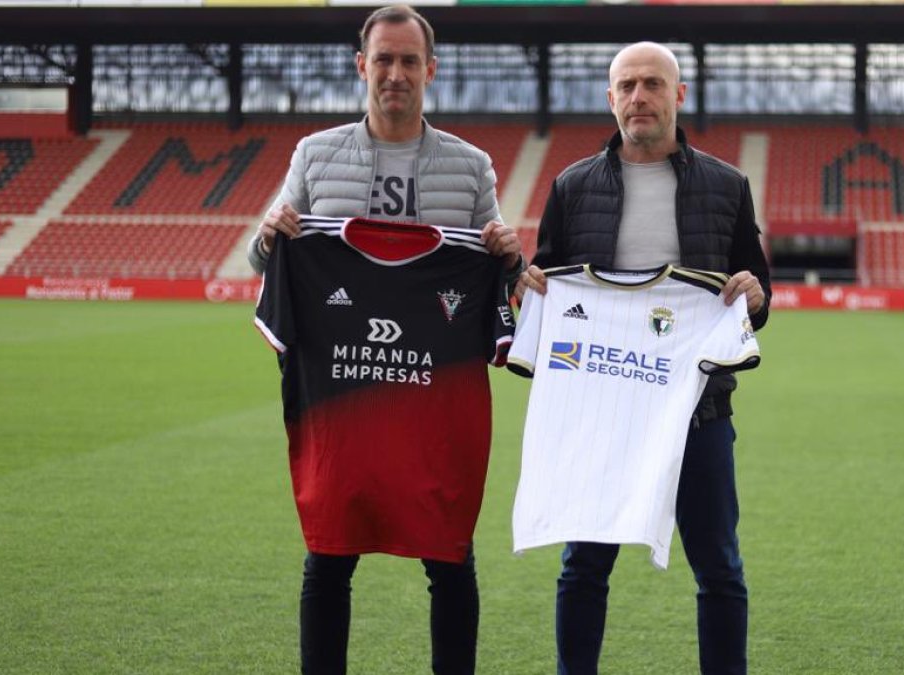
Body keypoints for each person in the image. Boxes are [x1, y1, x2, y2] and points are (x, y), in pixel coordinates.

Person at [248, 6, 522, 675]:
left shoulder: (471, 166)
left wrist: (509, 256)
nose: (395, 73)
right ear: (360, 65)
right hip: (342, 394)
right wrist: (269, 233)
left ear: (430, 70)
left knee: (449, 552)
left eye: (408, 61)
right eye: (383, 59)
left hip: (432, 400)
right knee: (330, 554)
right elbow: (266, 264)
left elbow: (499, 277)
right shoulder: (314, 154)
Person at [515, 42, 771, 675]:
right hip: (601, 413)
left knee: (719, 566)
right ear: (610, 99)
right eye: (626, 85)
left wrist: (756, 295)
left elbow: (756, 289)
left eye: (652, 84)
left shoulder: (727, 186)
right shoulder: (572, 187)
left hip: (698, 411)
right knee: (584, 565)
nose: (638, 97)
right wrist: (527, 285)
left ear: (678, 95)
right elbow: (546, 280)